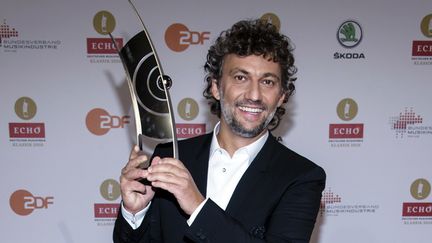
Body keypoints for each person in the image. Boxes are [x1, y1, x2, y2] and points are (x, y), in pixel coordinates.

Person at [113, 18, 326, 243]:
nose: (254, 95)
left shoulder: (301, 176)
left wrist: (197, 206)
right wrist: (134, 213)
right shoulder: (170, 156)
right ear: (215, 86)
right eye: (241, 77)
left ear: (282, 96)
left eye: (268, 82)